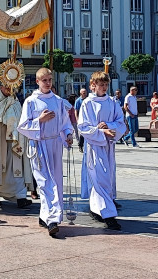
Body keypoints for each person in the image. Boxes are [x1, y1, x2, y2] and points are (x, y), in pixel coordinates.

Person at [18, 68, 74, 238]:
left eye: (50, 79)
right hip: (39, 145)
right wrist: (39, 121)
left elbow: (64, 122)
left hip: (55, 143)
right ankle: (51, 219)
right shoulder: (30, 102)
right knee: (44, 182)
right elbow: (22, 126)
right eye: (44, 80)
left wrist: (69, 134)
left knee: (56, 181)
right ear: (37, 82)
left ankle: (48, 215)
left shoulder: (58, 101)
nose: (48, 83)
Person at [78, 72, 126, 230]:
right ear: (93, 85)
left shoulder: (112, 102)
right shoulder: (87, 103)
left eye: (106, 84)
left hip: (108, 145)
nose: (104, 87)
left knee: (106, 178)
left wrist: (109, 127)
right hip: (95, 146)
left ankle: (95, 209)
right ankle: (109, 215)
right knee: (100, 179)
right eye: (101, 84)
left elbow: (121, 122)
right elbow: (83, 127)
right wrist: (99, 131)